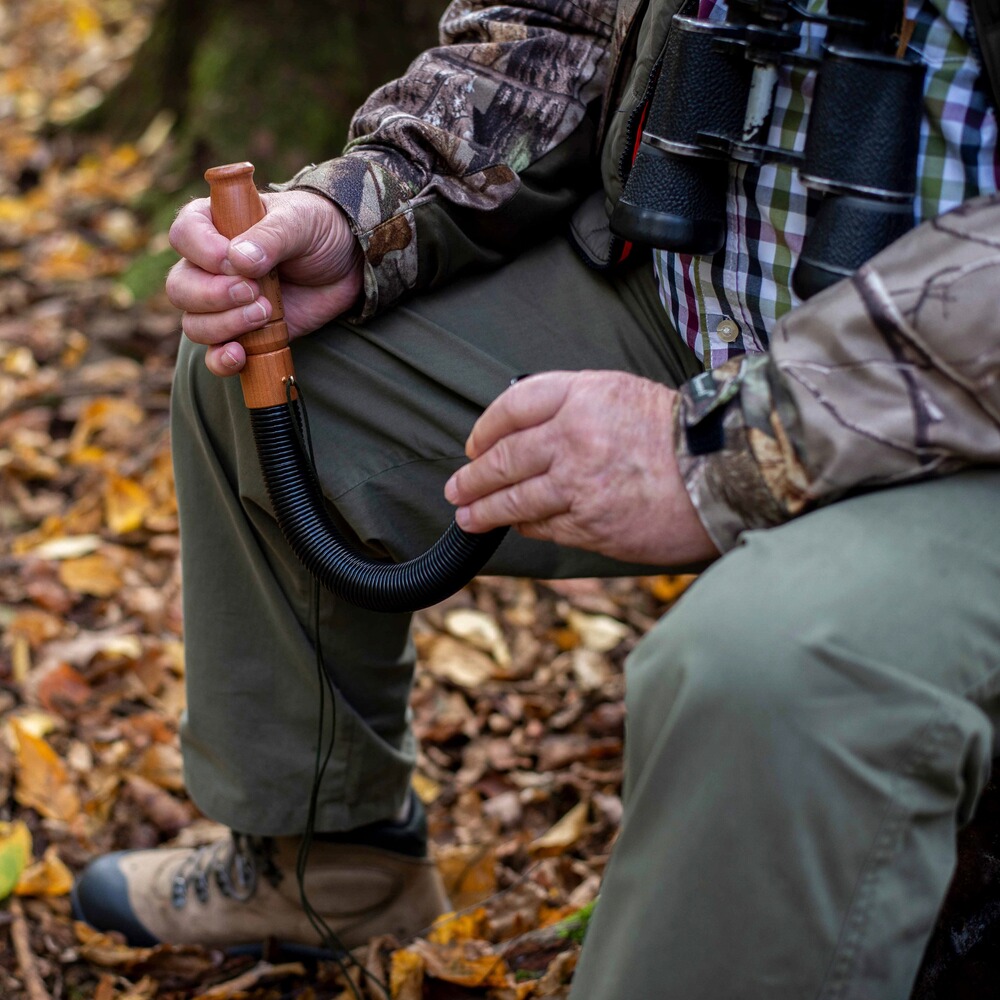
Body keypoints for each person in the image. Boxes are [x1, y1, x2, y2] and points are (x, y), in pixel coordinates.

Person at [72, 0, 1000, 996]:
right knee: (269, 381)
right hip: (693, 303)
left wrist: (732, 444)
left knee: (769, 671)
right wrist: (363, 209)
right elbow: (550, 26)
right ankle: (331, 868)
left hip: (961, 412)